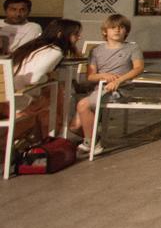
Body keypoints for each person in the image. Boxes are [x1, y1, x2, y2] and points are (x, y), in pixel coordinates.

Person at [70, 14, 145, 156]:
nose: (117, 30)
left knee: (82, 105)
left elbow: (138, 68)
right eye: (113, 28)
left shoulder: (132, 48)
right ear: (105, 31)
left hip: (120, 90)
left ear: (126, 31)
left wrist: (118, 80)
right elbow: (91, 76)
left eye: (121, 28)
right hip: (100, 90)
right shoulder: (96, 51)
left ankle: (91, 143)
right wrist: (104, 75)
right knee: (74, 127)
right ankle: (95, 138)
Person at [3, 19, 82, 145]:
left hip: (5, 96)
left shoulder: (33, 46)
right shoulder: (55, 51)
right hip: (18, 99)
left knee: (53, 91)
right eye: (75, 34)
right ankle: (57, 136)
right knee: (54, 93)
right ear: (61, 35)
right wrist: (48, 76)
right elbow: (35, 79)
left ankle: (53, 135)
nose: (79, 37)